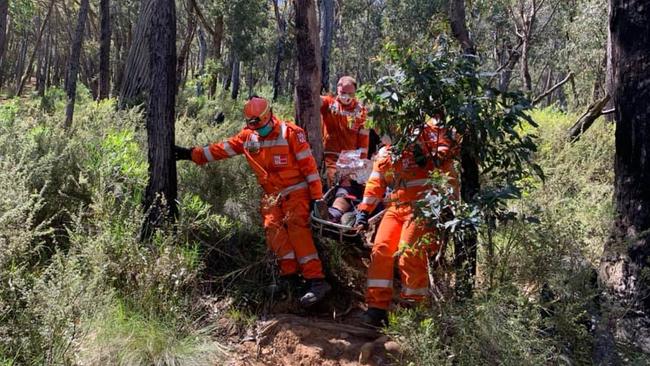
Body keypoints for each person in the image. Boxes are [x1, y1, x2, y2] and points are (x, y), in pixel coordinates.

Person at [175, 96, 331, 307]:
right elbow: (222, 149)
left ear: (269, 116)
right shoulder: (249, 137)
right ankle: (289, 277)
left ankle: (316, 281)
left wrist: (317, 197)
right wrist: (191, 154)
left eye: (259, 123)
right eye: (253, 124)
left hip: (296, 192)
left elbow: (309, 169)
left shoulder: (291, 133)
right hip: (271, 195)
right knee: (272, 229)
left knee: (297, 230)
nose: (258, 129)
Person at [354, 117, 460, 326]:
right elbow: (376, 182)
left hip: (424, 207)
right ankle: (376, 308)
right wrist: (364, 211)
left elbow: (450, 157)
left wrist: (426, 151)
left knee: (410, 252)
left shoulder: (428, 138)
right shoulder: (386, 152)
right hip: (397, 207)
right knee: (381, 249)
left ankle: (416, 310)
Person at [320, 76, 370, 187]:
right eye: (343, 92)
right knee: (334, 183)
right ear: (337, 90)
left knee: (351, 186)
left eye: (350, 93)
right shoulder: (330, 104)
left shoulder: (361, 111)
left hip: (351, 158)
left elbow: (364, 140)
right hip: (331, 156)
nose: (346, 96)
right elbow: (316, 100)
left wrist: (362, 163)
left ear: (355, 92)